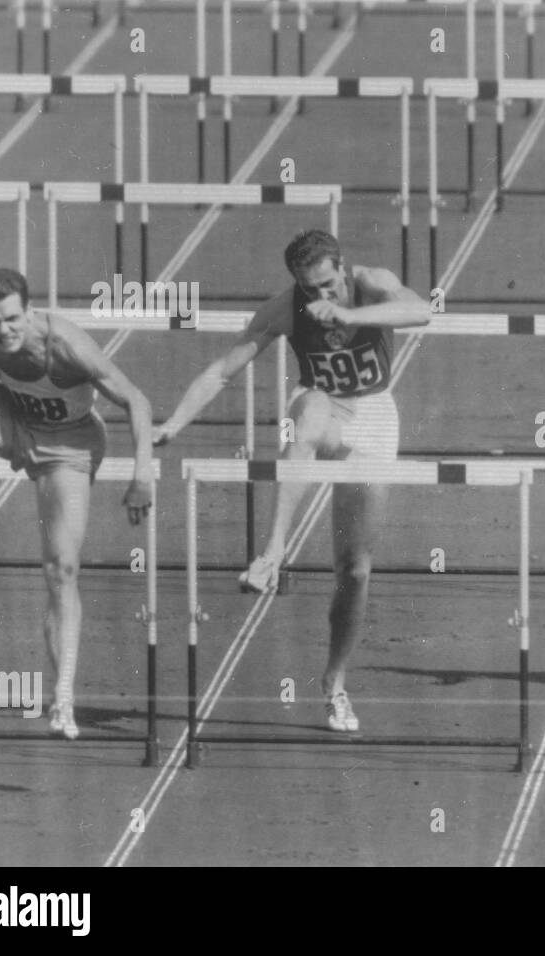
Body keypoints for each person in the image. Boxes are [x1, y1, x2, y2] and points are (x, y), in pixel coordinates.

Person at [154, 229, 430, 732]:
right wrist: (174, 422)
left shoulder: (372, 283)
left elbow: (420, 312)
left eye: (327, 286)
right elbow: (221, 371)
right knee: (306, 418)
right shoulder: (284, 309)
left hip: (372, 415)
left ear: (343, 269)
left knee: (356, 570)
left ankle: (334, 682)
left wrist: (349, 314)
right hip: (321, 404)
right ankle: (273, 551)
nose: (320, 297)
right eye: (310, 289)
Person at [0, 268, 154, 739]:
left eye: (12, 320)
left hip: (70, 451)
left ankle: (63, 699)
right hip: (11, 423)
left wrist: (142, 474)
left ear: (30, 312)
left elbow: (136, 400)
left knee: (61, 570)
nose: (3, 331)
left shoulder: (66, 346)